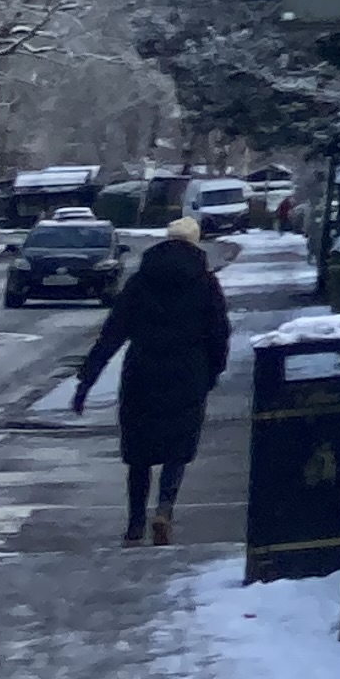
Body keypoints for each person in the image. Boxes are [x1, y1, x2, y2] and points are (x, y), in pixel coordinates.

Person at [70, 218, 229, 545]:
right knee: (177, 450)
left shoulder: (140, 282)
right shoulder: (205, 282)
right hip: (188, 373)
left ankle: (134, 524)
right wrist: (212, 372)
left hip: (142, 372)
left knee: (139, 455)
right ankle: (165, 510)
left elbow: (112, 332)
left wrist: (87, 380)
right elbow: (219, 333)